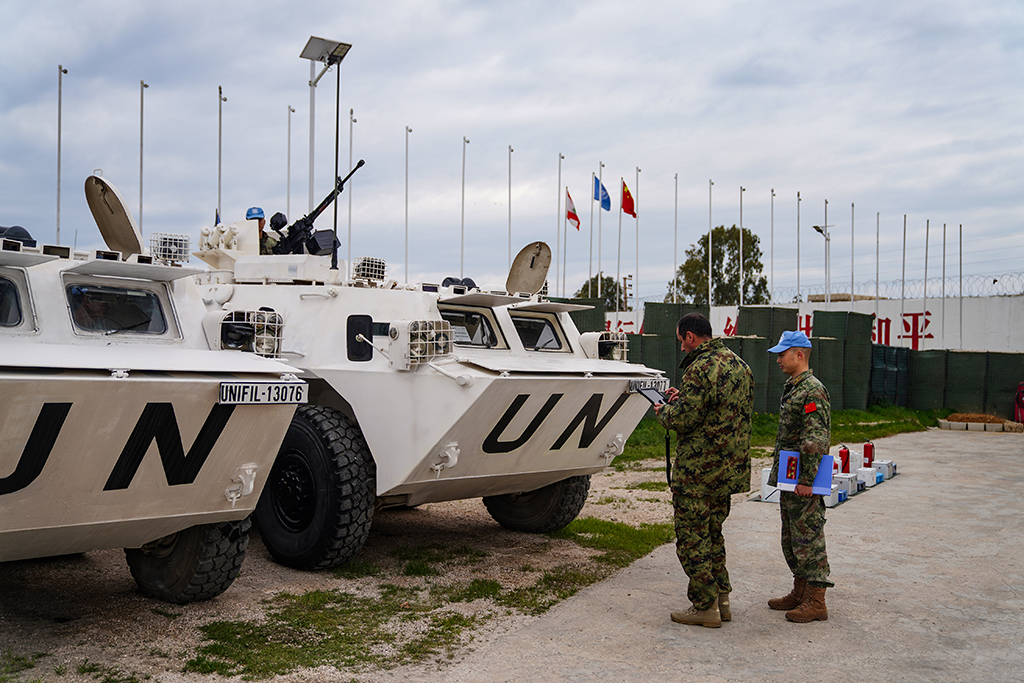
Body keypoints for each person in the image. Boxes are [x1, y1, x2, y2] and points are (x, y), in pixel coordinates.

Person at [654, 312, 753, 628]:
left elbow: (682, 420)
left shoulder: (699, 368)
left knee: (691, 537)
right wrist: (683, 399)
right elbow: (721, 408)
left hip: (698, 471)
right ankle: (722, 599)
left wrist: (664, 411)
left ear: (690, 337)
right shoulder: (739, 365)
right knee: (713, 533)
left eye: (681, 340)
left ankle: (704, 606)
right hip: (727, 470)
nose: (682, 347)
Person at [766, 330, 833, 623]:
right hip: (790, 477)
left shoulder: (812, 390)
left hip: (803, 479)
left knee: (809, 538)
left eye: (782, 354)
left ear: (799, 355)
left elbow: (814, 438)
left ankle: (816, 601)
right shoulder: (795, 387)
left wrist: (807, 479)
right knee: (792, 537)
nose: (778, 359)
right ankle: (801, 590)